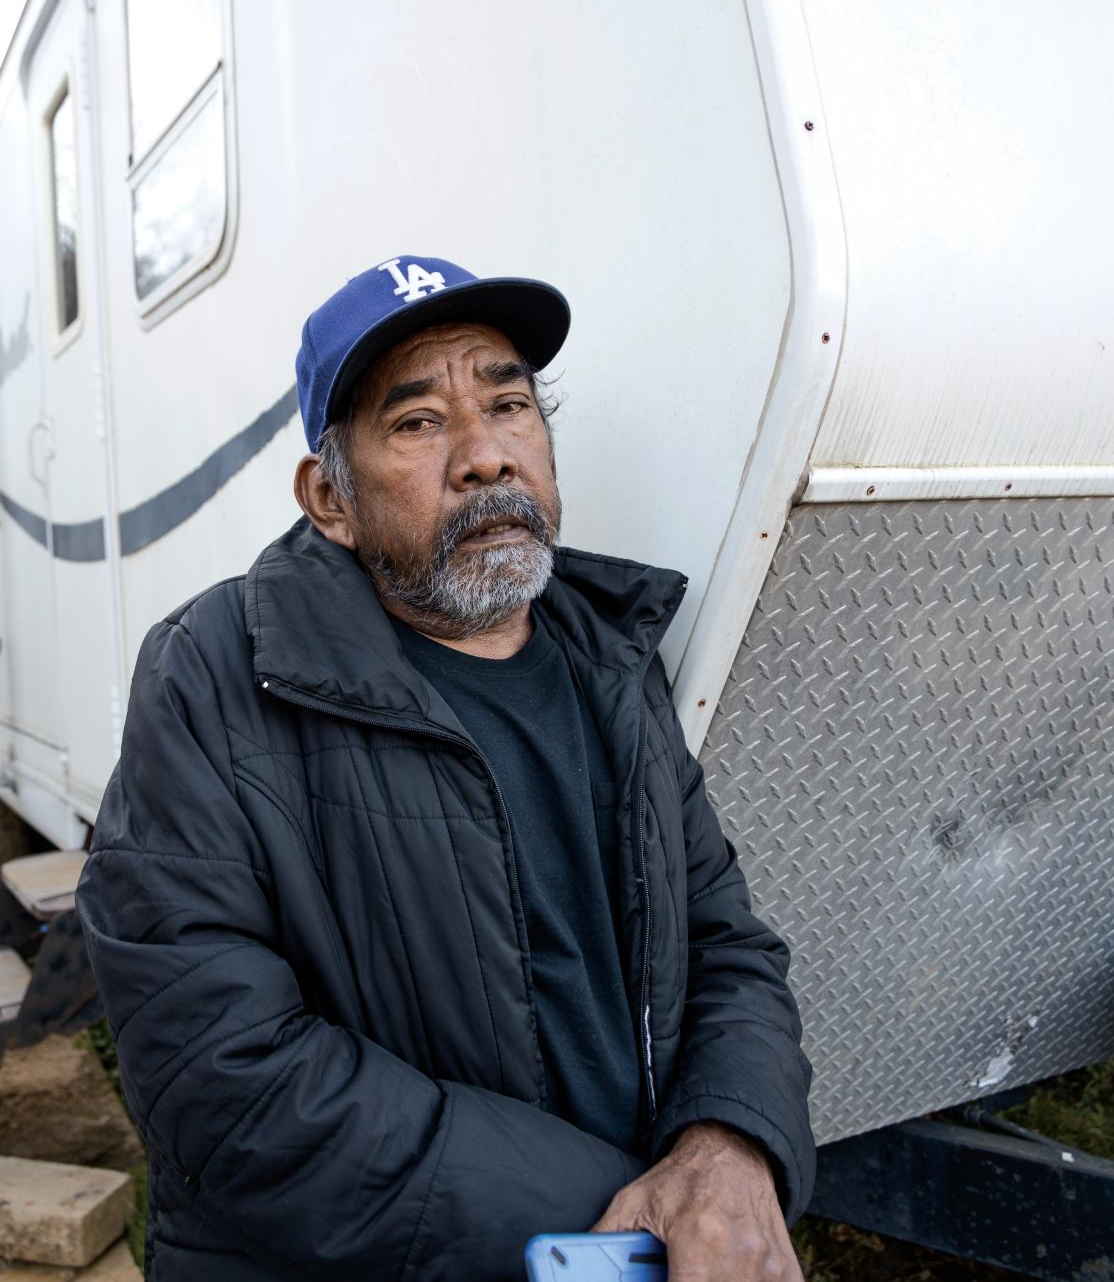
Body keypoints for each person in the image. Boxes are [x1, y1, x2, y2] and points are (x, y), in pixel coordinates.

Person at [77, 255, 814, 1281]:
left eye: (509, 404)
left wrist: (726, 1144)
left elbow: (727, 946)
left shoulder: (611, 662)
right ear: (328, 498)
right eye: (418, 422)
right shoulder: (215, 673)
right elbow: (222, 1074)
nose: (485, 456)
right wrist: (622, 1224)